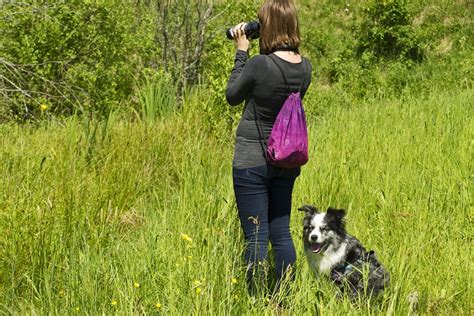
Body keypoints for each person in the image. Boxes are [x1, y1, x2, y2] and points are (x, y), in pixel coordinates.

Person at [225, 0, 312, 294]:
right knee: (280, 233)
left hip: (251, 159)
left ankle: (254, 298)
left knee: (256, 236)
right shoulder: (305, 68)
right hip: (286, 161)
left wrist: (241, 52)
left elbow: (232, 95)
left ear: (268, 26)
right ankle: (283, 298)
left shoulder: (259, 64)